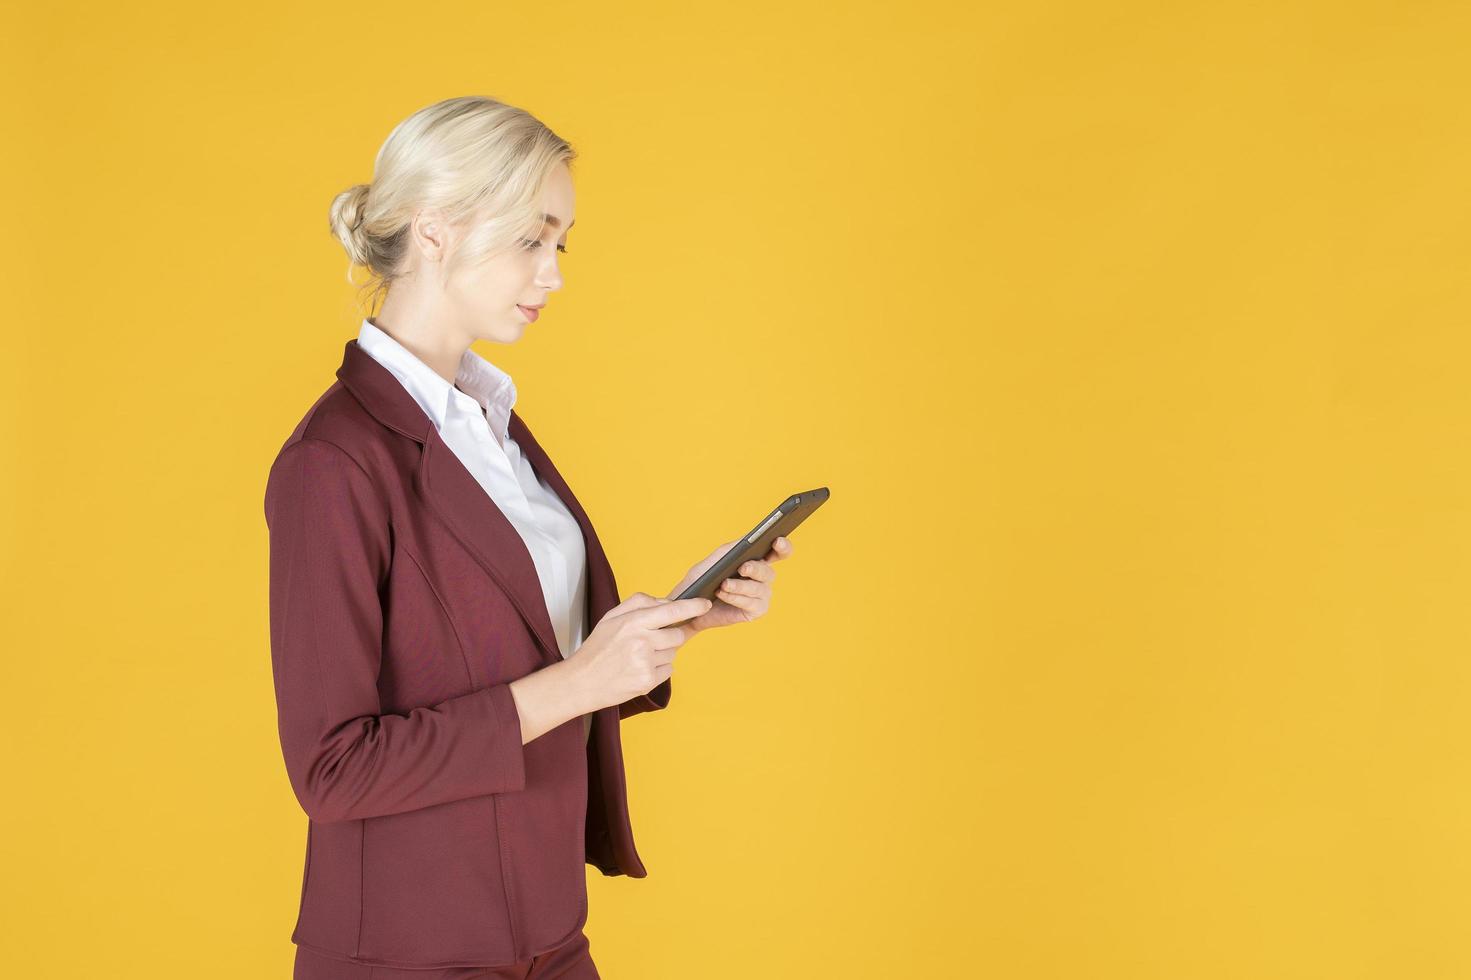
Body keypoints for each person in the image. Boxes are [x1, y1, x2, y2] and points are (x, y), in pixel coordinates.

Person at [264, 95, 794, 979]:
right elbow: (332, 770)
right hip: (412, 949)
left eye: (562, 244)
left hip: (544, 928)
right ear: (433, 231)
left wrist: (661, 634)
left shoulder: (490, 424)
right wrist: (578, 681)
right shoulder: (334, 461)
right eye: (531, 239)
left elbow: (507, 656)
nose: (553, 273)